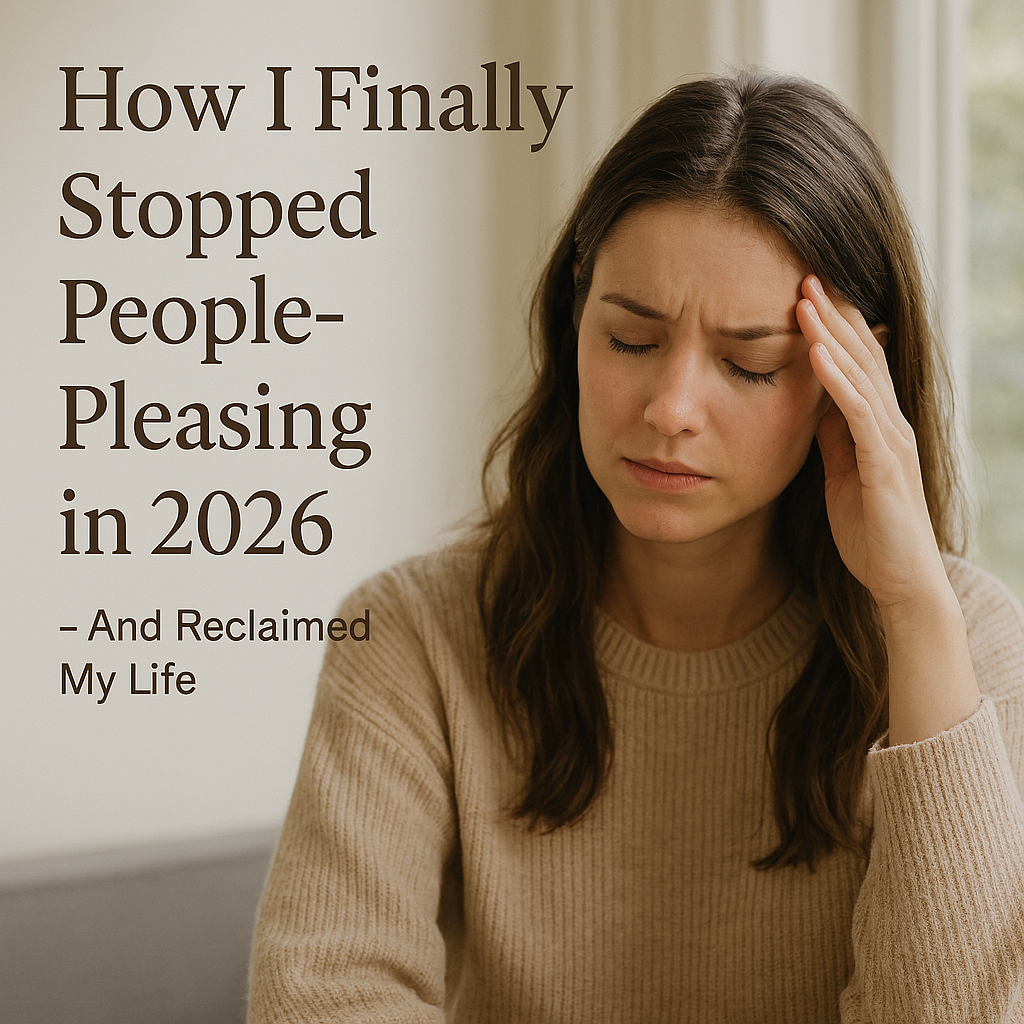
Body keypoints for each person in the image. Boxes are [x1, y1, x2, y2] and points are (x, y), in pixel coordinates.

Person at [247, 70, 1024, 1022]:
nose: (670, 410)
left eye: (750, 364)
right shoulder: (410, 636)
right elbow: (319, 1000)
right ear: (576, 315)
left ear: (848, 380)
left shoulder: (965, 647)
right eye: (630, 340)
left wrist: (912, 613)